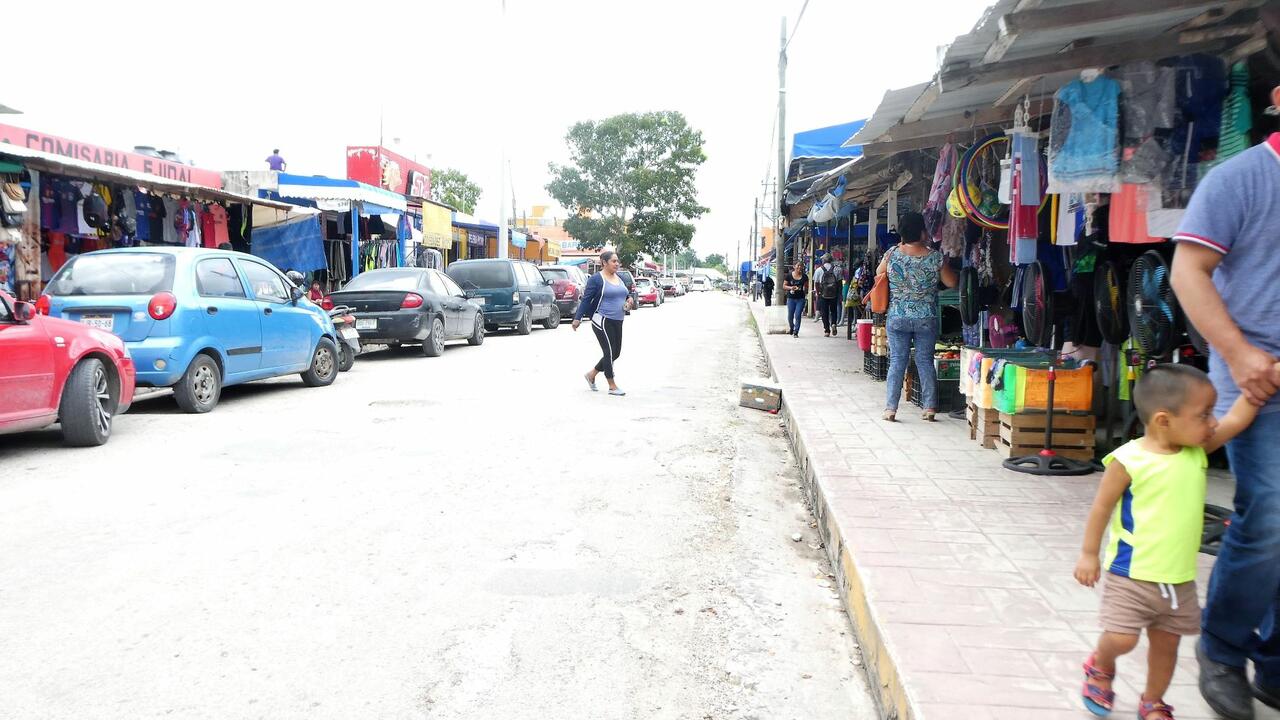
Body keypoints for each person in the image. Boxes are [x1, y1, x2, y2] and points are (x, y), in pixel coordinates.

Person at [1170, 92, 1280, 720]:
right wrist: (1239, 355)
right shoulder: (1240, 178)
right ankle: (1222, 648)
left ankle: (1275, 662)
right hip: (1256, 383)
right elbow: (1187, 272)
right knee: (1269, 513)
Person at [1074, 365, 1263, 720]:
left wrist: (1258, 390)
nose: (1212, 422)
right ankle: (1101, 663)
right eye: (1204, 414)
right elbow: (1101, 508)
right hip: (1130, 576)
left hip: (1178, 581)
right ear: (1164, 420)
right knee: (1123, 638)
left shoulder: (1197, 450)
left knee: (1167, 646)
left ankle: (1153, 700)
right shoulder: (1128, 460)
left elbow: (1236, 420)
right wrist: (1088, 554)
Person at [880, 211, 957, 422]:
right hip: (926, 317)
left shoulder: (892, 254)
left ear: (902, 233)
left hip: (898, 316)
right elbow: (952, 282)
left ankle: (890, 409)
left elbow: (879, 274)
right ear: (923, 232)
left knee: (897, 361)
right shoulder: (935, 257)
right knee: (924, 361)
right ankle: (929, 407)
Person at [573, 250, 633, 396]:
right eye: (614, 261)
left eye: (618, 261)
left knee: (616, 353)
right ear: (604, 263)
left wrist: (630, 299)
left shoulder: (618, 278)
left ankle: (591, 374)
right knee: (609, 351)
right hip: (602, 319)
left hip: (618, 319)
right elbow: (586, 299)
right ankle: (612, 385)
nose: (617, 264)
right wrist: (577, 318)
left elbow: (626, 293)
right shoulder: (596, 279)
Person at [814, 254, 841, 337]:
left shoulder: (818, 270)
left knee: (824, 312)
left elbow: (816, 283)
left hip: (823, 294)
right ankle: (833, 323)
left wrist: (818, 293)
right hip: (834, 294)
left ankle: (827, 330)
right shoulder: (837, 269)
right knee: (834, 310)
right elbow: (839, 283)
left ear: (824, 260)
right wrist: (839, 293)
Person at [782, 265, 807, 337]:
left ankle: (796, 331)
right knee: (790, 316)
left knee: (798, 315)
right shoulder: (789, 276)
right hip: (791, 298)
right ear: (794, 266)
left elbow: (806, 286)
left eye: (801, 266)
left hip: (800, 298)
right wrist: (791, 288)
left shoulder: (804, 276)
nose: (799, 267)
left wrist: (804, 290)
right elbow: (784, 286)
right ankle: (792, 327)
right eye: (798, 265)